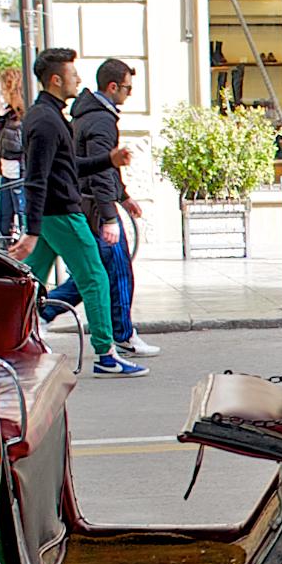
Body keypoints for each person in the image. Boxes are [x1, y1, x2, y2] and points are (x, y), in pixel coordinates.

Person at [12, 48, 138, 376]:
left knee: (27, 280)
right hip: (62, 215)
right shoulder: (46, 121)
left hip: (54, 215)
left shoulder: (49, 117)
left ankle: (12, 338)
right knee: (95, 278)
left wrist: (108, 160)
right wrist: (31, 230)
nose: (79, 80)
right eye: (72, 74)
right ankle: (106, 355)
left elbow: (68, 168)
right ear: (56, 80)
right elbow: (36, 179)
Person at [73, 59, 160, 359]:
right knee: (118, 272)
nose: (129, 94)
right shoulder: (100, 120)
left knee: (92, 273)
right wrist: (110, 216)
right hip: (97, 208)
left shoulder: (89, 115)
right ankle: (121, 336)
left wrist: (123, 196)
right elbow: (101, 169)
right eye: (127, 88)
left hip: (91, 203)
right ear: (112, 87)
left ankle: (42, 312)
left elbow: (106, 166)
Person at [0, 66, 27, 238]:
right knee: (5, 214)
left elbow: (17, 144)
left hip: (19, 171)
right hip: (7, 170)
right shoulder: (8, 113)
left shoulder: (22, 113)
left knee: (22, 213)